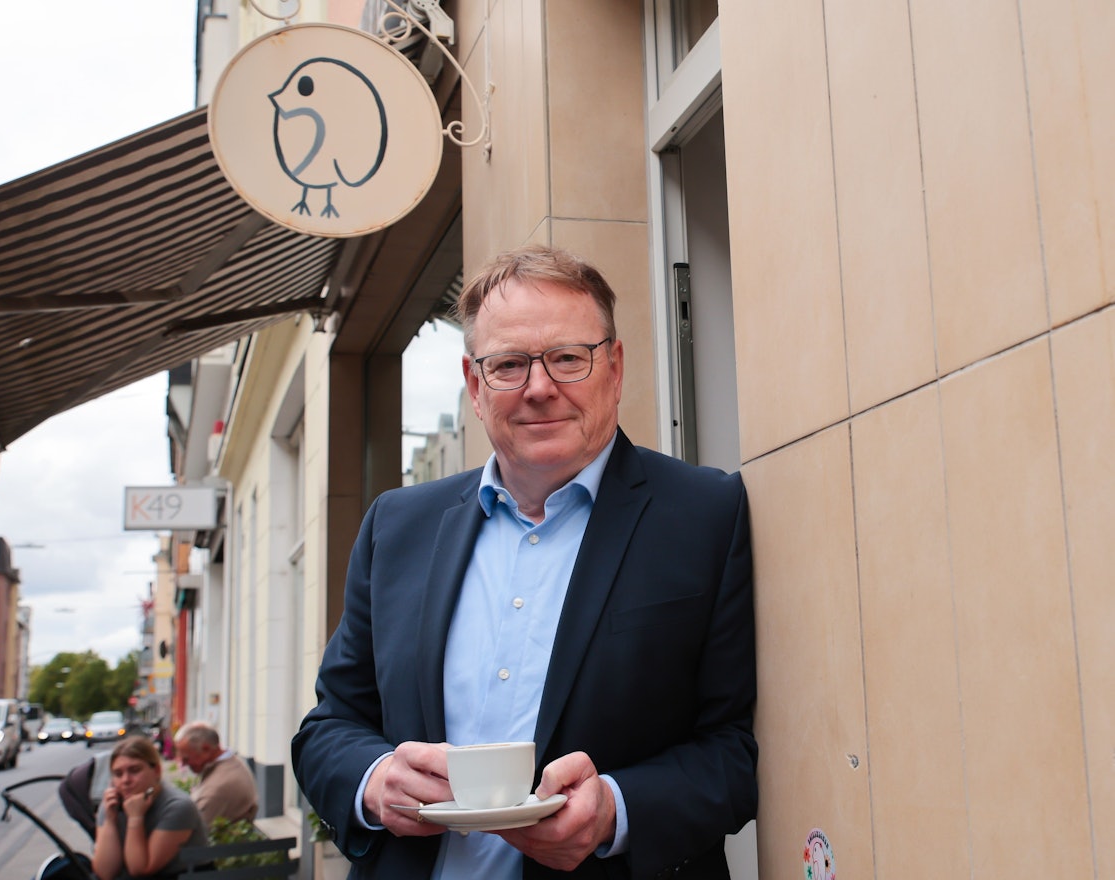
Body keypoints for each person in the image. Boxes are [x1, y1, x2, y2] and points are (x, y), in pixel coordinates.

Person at [292, 244, 757, 879]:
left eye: (569, 358)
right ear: (474, 386)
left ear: (615, 369)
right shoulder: (396, 528)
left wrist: (616, 811)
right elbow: (331, 725)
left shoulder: (705, 516)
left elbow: (733, 750)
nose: (540, 388)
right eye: (509, 364)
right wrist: (374, 782)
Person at [92, 735, 208, 880]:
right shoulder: (111, 804)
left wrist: (135, 817)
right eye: (118, 774)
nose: (125, 780)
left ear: (157, 771)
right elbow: (105, 873)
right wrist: (109, 820)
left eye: (134, 770)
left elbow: (140, 870)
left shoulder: (177, 806)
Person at [174, 720, 259, 829]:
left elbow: (191, 833)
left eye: (186, 758)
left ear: (206, 749)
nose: (183, 763)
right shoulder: (229, 763)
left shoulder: (218, 787)